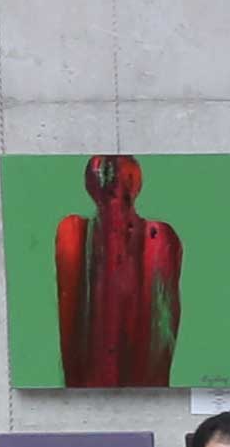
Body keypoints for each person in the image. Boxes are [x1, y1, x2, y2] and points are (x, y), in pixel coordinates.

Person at [54, 151, 185, 389]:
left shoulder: (160, 238)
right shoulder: (72, 233)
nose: (113, 188)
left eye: (119, 184)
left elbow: (163, 329)